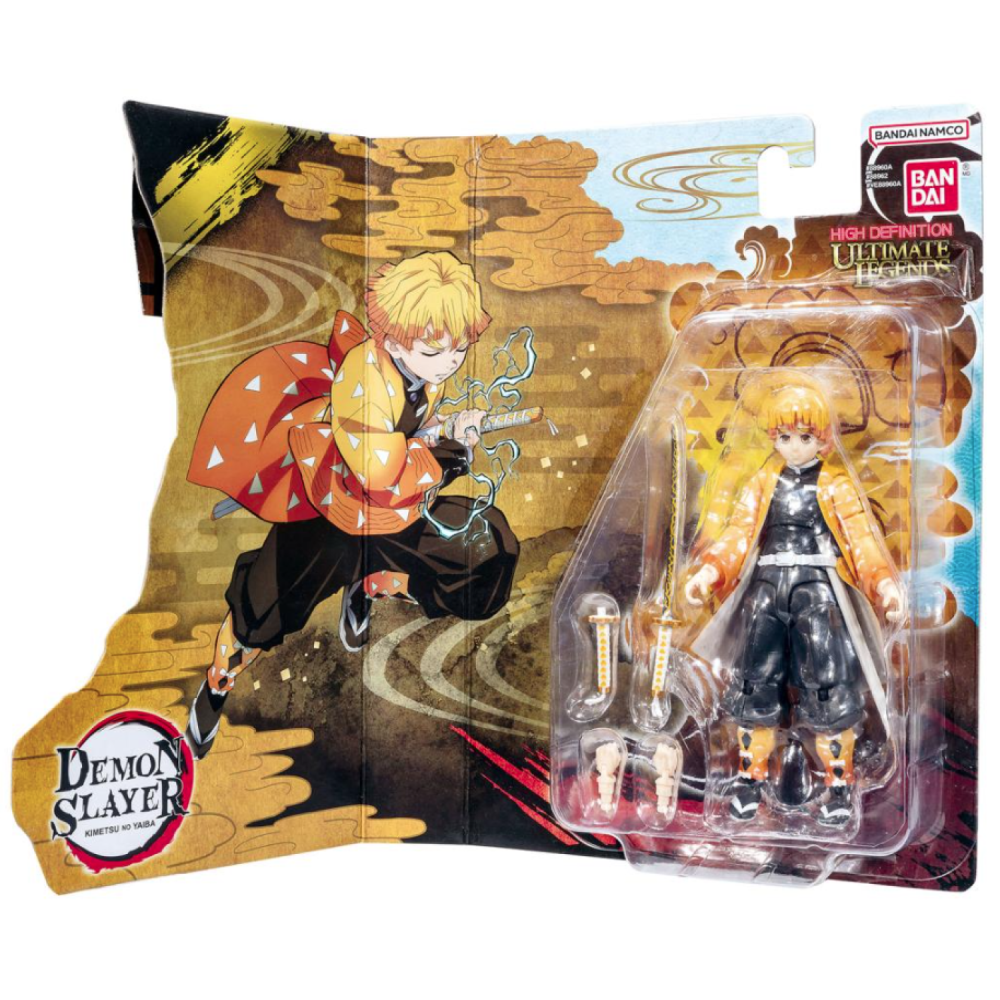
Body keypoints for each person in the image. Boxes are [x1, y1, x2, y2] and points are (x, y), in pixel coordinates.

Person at [185, 252, 520, 756]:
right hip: (332, 514)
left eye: (459, 347)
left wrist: (449, 430)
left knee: (486, 550)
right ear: (393, 338)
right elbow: (379, 476)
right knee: (261, 615)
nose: (450, 361)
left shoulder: (423, 367)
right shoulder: (363, 380)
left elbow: (410, 434)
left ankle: (370, 583)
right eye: (436, 349)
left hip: (392, 514)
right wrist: (446, 457)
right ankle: (217, 683)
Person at [684, 382, 904, 825]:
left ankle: (838, 786)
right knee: (754, 684)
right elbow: (737, 533)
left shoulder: (836, 485)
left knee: (828, 685)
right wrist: (710, 571)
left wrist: (884, 583)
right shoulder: (763, 482)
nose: (794, 446)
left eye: (804, 436)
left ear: (822, 438)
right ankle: (749, 779)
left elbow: (861, 540)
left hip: (817, 591)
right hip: (766, 589)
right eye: (784, 437)